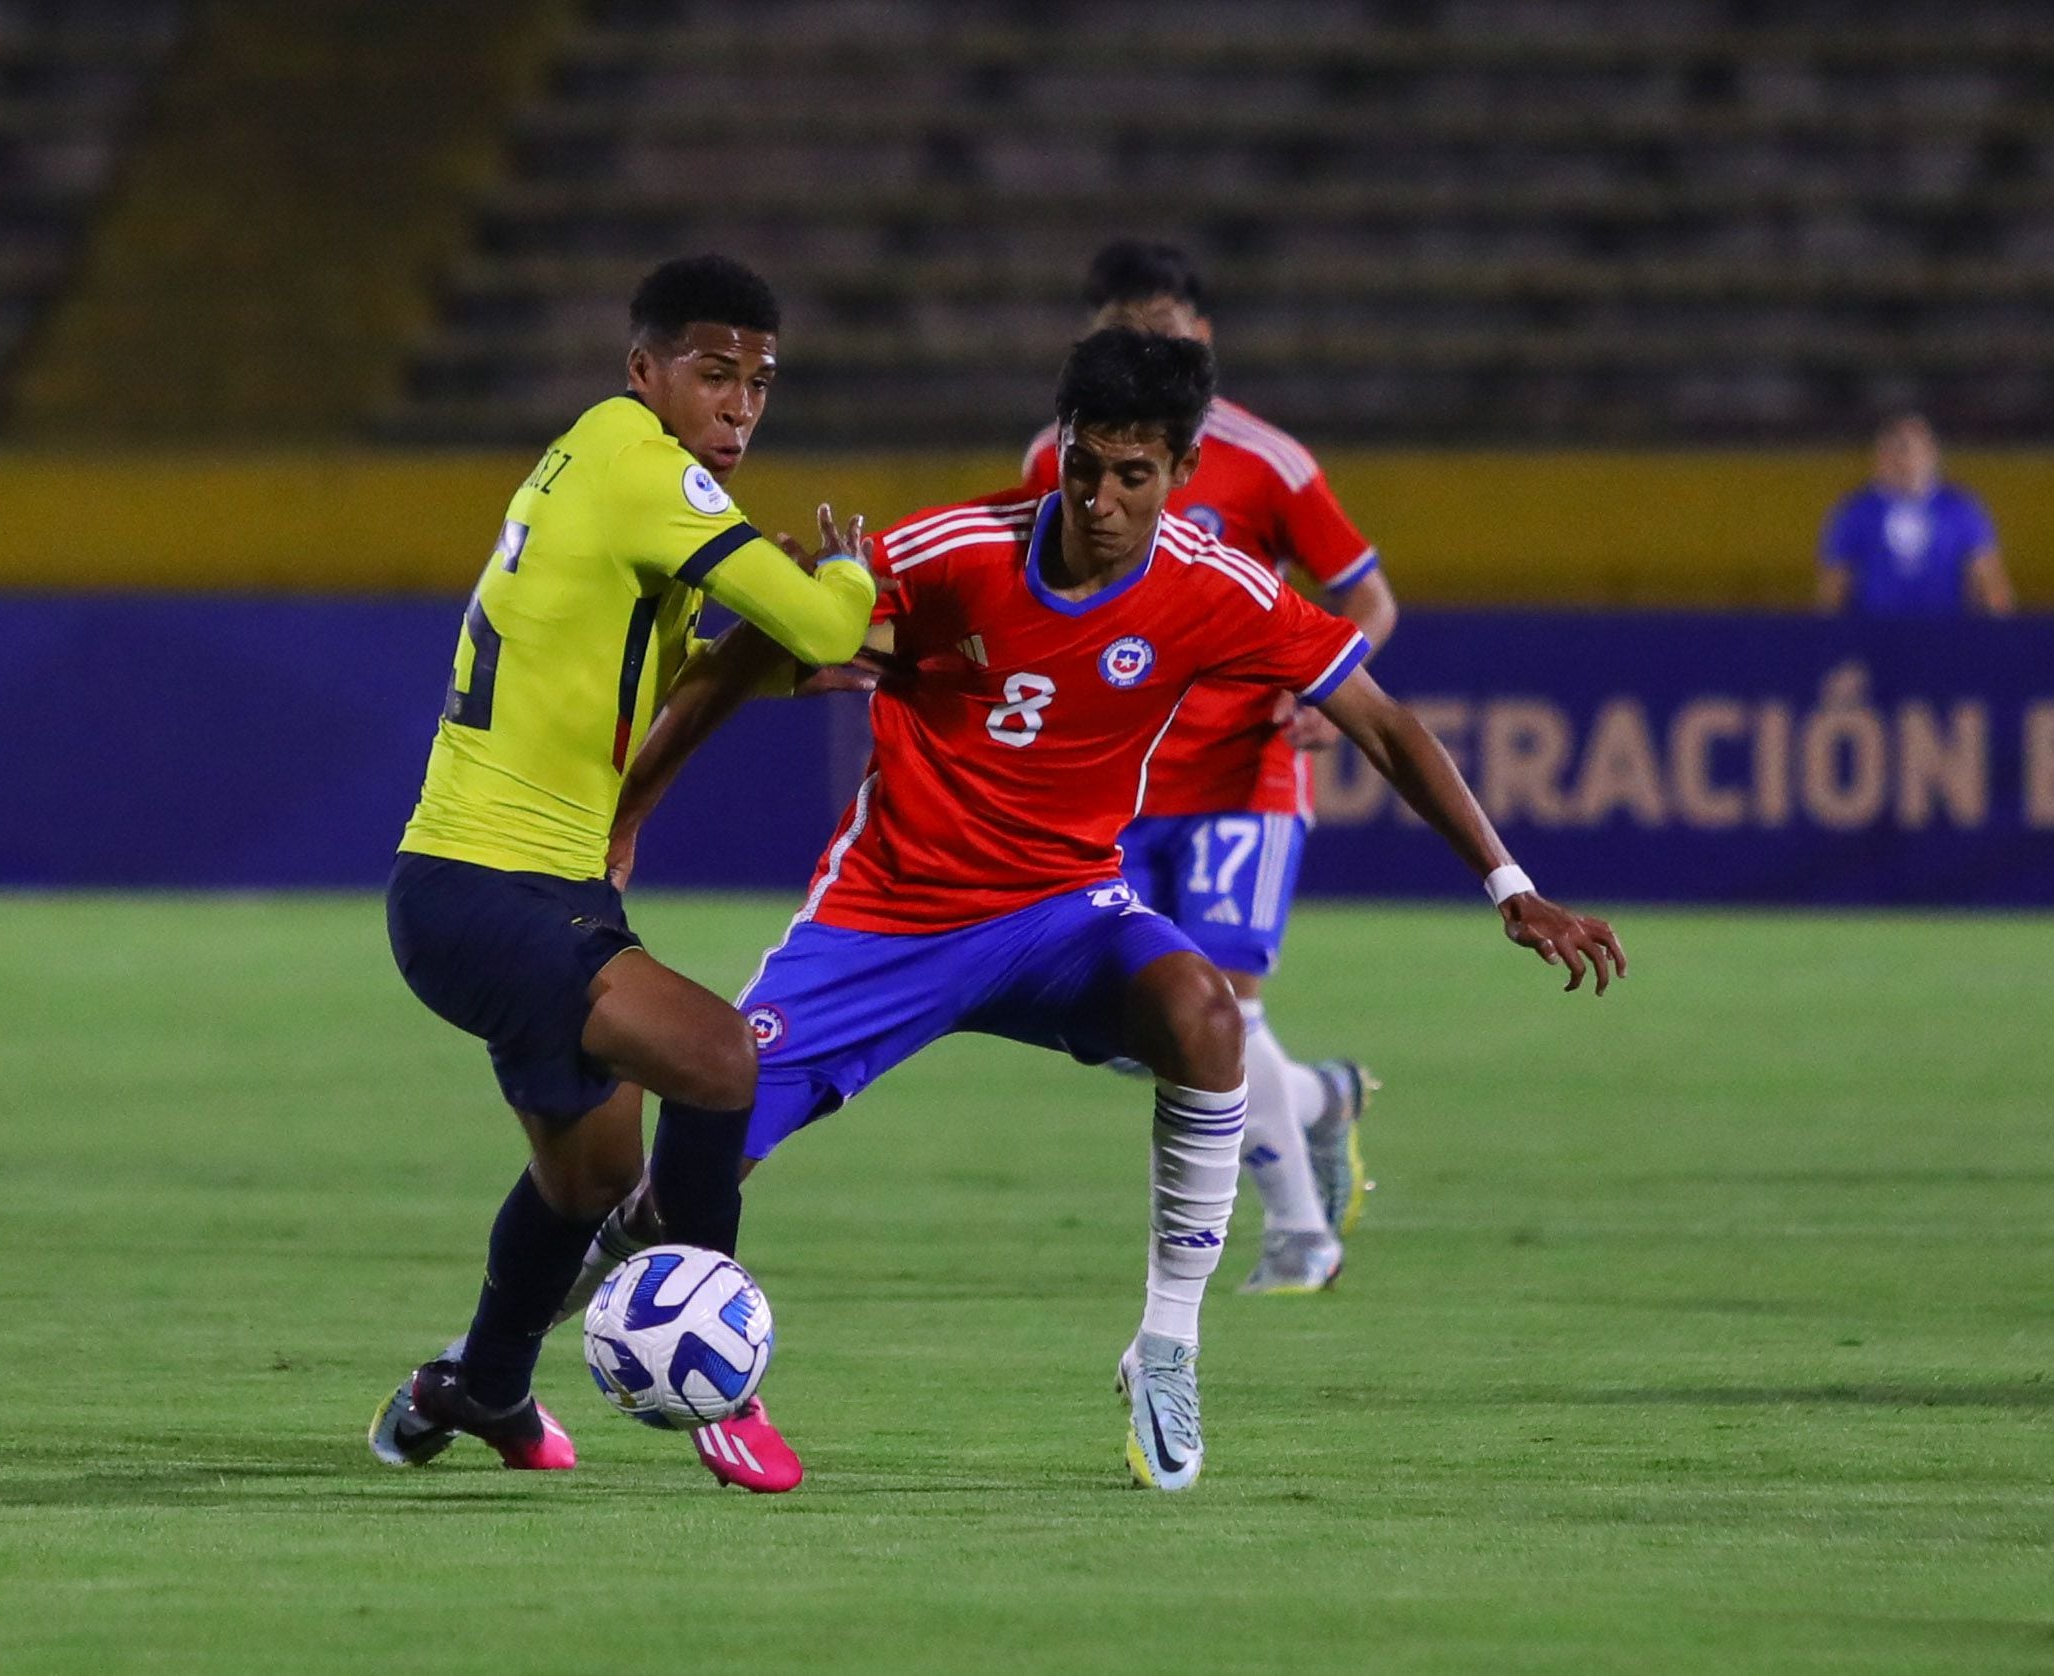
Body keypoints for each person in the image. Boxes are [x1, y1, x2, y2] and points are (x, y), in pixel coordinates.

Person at [586, 327, 1625, 1492]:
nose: (1101, 498)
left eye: (1134, 475)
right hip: (887, 917)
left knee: (1206, 1013)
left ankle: (1167, 1347)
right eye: (1085, 465)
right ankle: (600, 1264)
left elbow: (1382, 721)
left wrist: (1513, 885)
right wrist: (632, 815)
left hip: (1063, 913)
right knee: (697, 1159)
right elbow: (746, 653)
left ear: (1181, 472)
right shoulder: (948, 550)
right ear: (1061, 451)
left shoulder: (1217, 586)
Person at [369, 255, 875, 1492]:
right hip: (486, 883)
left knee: (591, 1176)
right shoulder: (648, 472)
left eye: (759, 382)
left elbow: (711, 652)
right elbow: (825, 628)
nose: (740, 407)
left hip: (509, 886)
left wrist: (769, 642)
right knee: (720, 1057)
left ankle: (477, 1384)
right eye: (714, 375)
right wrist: (847, 574)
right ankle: (722, 1391)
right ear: (644, 369)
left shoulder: (593, 460)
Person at [1020, 241, 1398, 1294]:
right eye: (1120, 333)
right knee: (1127, 1021)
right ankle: (1315, 1101)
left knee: (1228, 1002)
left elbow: (1368, 596)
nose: (1142, 351)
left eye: (1161, 330)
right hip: (1119, 780)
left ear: (1201, 335)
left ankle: (1300, 1232)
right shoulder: (1054, 456)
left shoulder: (1268, 461)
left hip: (1246, 770)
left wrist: (1316, 684)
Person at [1816, 414, 2015, 617]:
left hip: (1947, 636)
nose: (1903, 461)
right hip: (1874, 637)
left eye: (1910, 450)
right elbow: (1833, 586)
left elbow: (1990, 581)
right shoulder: (1855, 512)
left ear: (1931, 454)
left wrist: (2000, 638)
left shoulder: (1959, 509)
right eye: (1893, 451)